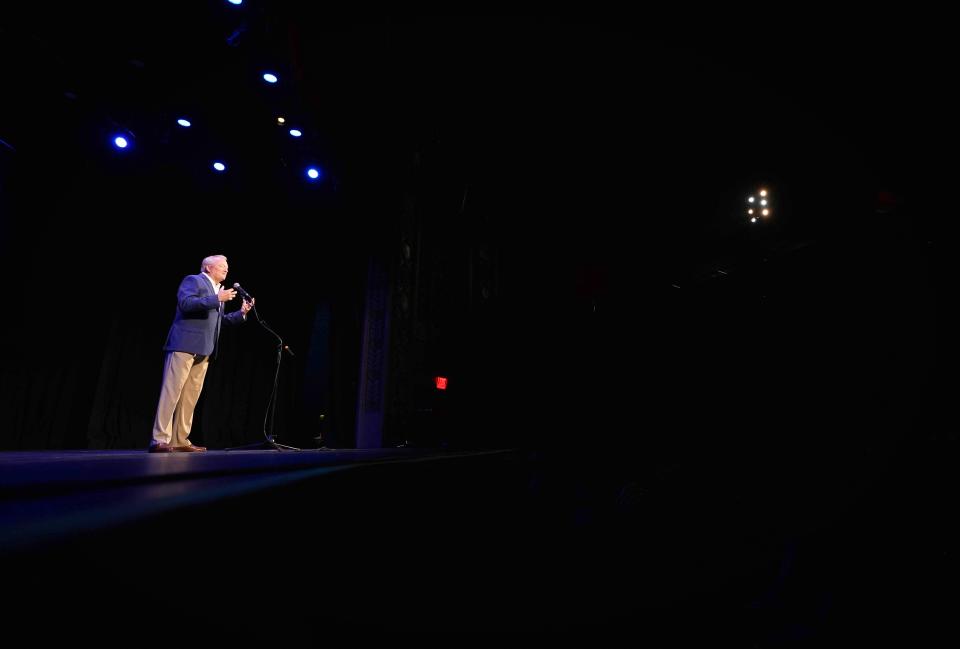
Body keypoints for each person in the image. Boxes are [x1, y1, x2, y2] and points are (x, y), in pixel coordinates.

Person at [149, 255, 254, 452]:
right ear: (207, 268)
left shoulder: (218, 291)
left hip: (204, 349)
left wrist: (241, 313)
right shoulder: (193, 280)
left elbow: (220, 321)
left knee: (190, 397)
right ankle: (159, 439)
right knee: (171, 393)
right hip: (184, 344)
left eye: (227, 267)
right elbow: (186, 304)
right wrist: (217, 299)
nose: (226, 270)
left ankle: (180, 440)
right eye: (222, 266)